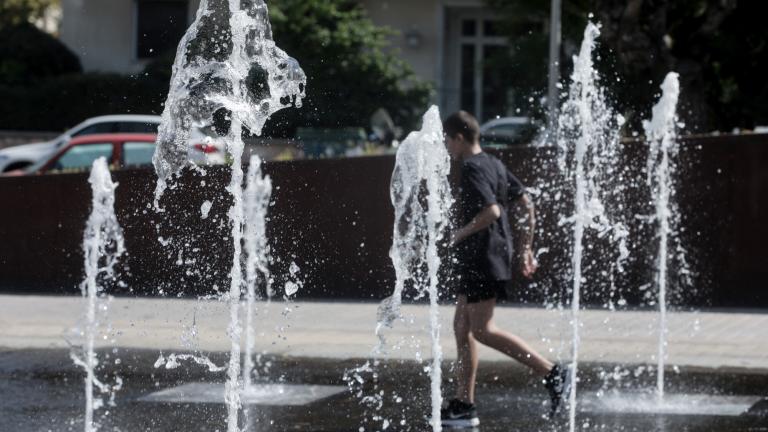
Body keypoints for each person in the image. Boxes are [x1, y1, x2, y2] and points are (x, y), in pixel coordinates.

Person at [440, 111, 571, 428]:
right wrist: (525, 247)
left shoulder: (471, 167)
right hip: (484, 257)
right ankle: (464, 402)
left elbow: (492, 211)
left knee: (482, 329)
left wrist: (458, 234)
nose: (445, 146)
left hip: (483, 257)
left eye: (447, 140)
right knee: (461, 325)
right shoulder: (494, 163)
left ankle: (552, 373)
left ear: (458, 137)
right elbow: (526, 203)